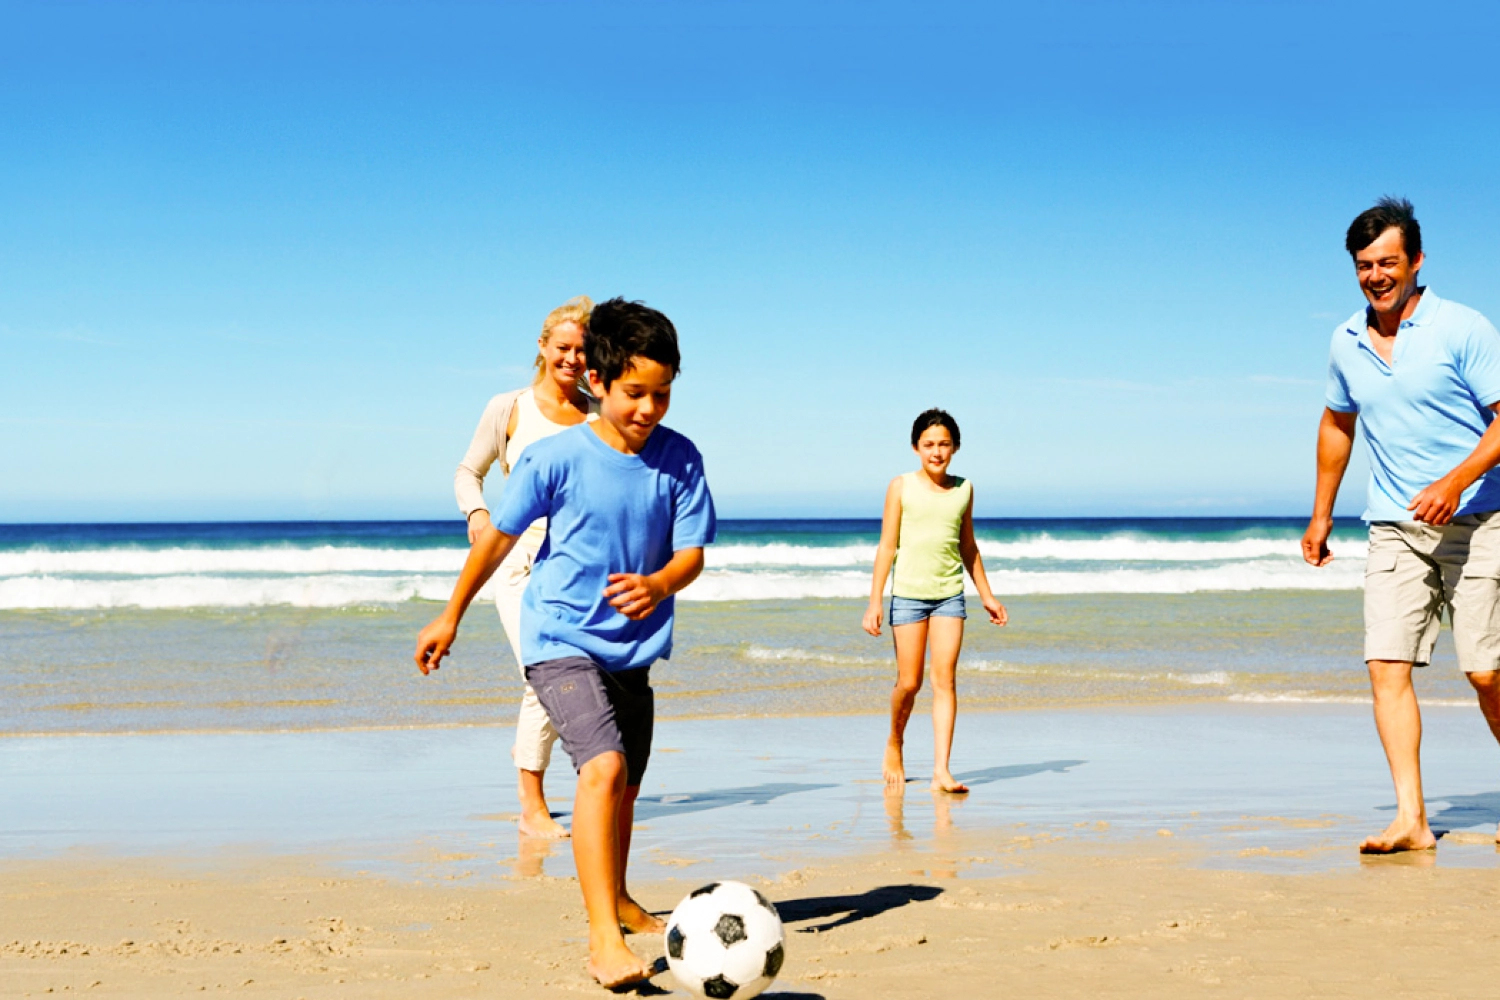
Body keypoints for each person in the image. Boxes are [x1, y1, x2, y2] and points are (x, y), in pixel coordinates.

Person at [416, 298, 715, 988]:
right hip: (556, 636)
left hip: (633, 649)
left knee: (627, 789)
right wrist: (450, 614)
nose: (649, 408)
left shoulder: (680, 459)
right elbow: (495, 539)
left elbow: (693, 552)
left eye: (662, 394)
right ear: (601, 382)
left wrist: (662, 582)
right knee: (602, 770)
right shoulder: (555, 458)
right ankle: (602, 940)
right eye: (635, 393)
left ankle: (615, 893)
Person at [1302, 197, 1500, 853]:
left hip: (1482, 519)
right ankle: (1412, 820)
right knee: (1386, 665)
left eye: (1388, 262)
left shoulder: (1463, 328)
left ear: (1416, 261)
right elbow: (1338, 424)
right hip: (1393, 525)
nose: (1376, 275)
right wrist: (1321, 513)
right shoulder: (1346, 341)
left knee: (1485, 672)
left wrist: (1453, 481)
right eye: (1364, 265)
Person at [455, 296, 598, 840]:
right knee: (541, 677)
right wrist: (478, 512)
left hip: (576, 564)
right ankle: (531, 805)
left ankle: (588, 780)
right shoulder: (509, 406)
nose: (571, 358)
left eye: (582, 350)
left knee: (579, 676)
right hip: (516, 560)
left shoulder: (594, 413)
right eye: (563, 347)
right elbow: (469, 471)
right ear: (542, 347)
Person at [863, 408, 1008, 794]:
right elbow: (887, 546)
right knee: (908, 684)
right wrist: (875, 601)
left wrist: (987, 596)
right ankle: (895, 742)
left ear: (955, 447)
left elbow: (968, 547)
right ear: (915, 448)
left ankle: (941, 770)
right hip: (908, 596)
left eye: (944, 444)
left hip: (949, 596)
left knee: (944, 681)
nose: (936, 452)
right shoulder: (901, 486)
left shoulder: (964, 489)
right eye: (928, 444)